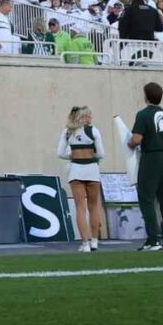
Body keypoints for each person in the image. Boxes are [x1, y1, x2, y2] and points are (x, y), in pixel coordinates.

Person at [127, 81, 163, 251]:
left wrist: (128, 144)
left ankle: (153, 239)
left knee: (147, 198)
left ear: (145, 96)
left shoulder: (143, 115)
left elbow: (136, 139)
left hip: (151, 158)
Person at [57, 104, 107, 252]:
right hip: (92, 170)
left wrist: (71, 155)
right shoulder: (94, 131)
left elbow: (60, 153)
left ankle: (85, 243)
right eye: (89, 115)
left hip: (76, 171)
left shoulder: (68, 132)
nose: (91, 117)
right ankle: (94, 241)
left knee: (80, 208)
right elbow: (101, 154)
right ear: (84, 117)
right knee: (93, 206)